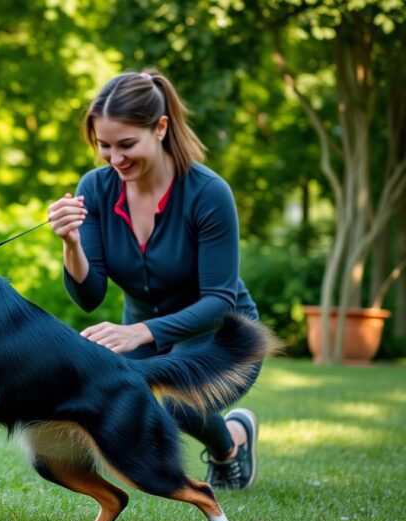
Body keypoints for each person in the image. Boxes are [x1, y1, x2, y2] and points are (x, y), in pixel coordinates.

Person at [47, 69, 262, 490]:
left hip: (222, 334)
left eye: (127, 144)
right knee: (103, 391)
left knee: (178, 403)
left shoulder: (207, 193)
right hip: (147, 336)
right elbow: (90, 297)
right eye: (104, 146)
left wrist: (139, 332)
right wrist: (70, 243)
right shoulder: (97, 187)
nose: (114, 159)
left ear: (161, 128)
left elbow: (219, 299)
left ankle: (231, 443)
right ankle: (228, 443)